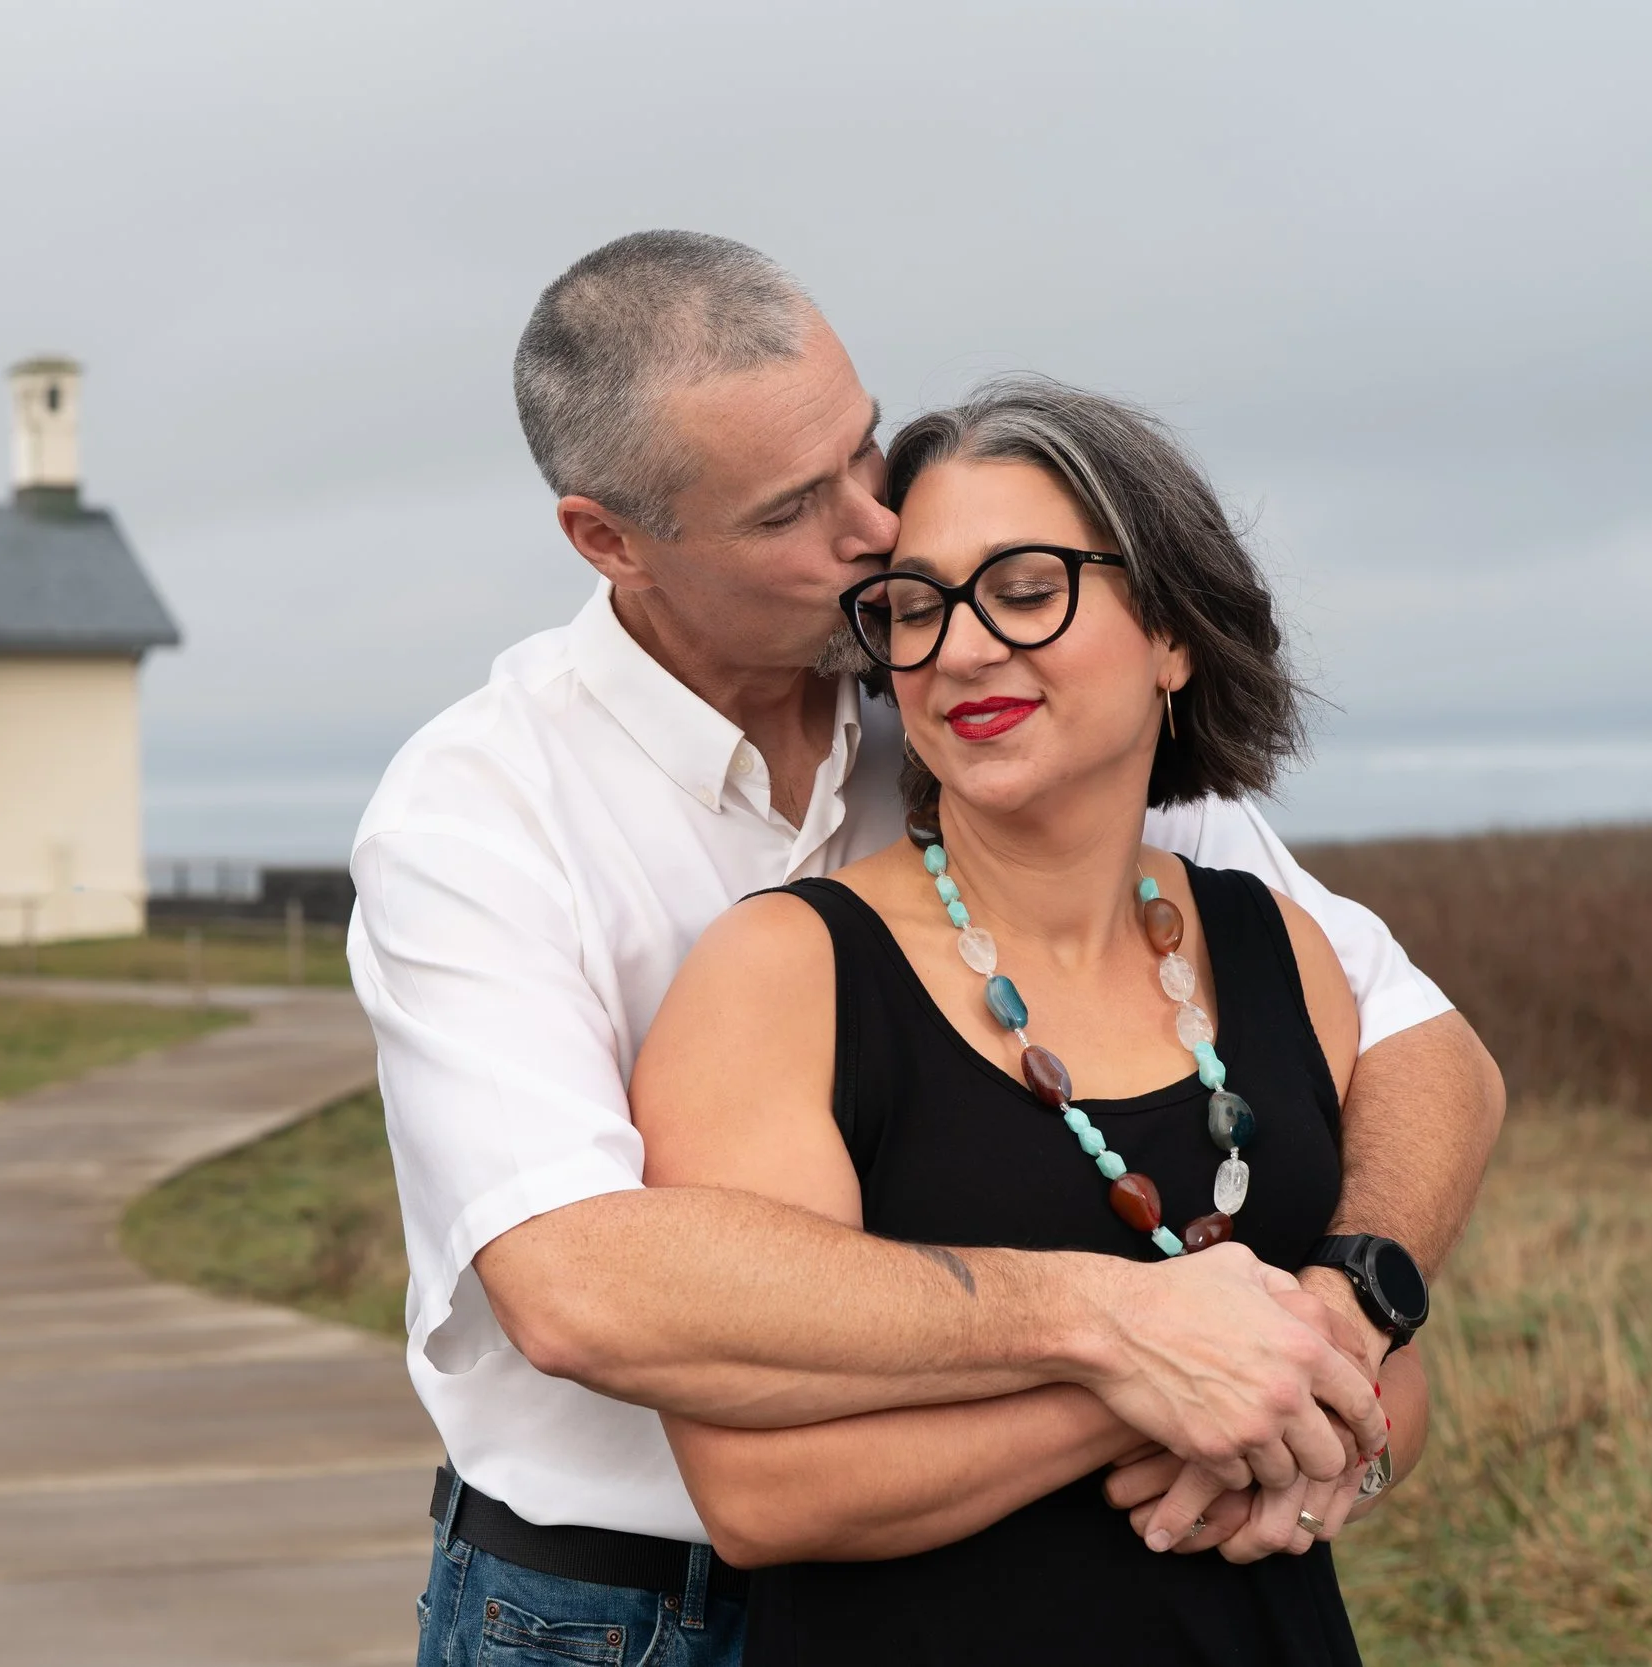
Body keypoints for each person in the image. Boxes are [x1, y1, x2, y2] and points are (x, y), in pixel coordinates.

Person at [349, 231, 1501, 1667]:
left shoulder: (984, 698)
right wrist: (1130, 1334)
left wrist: (1338, 1316)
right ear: (611, 539)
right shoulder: (478, 814)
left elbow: (1417, 1039)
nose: (876, 532)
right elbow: (580, 1283)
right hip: (625, 1606)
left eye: (864, 453)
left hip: (1077, 1561)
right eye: (791, 509)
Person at [634, 379, 1427, 1664]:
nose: (955, 650)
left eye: (1022, 589)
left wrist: (1332, 1426)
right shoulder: (788, 969)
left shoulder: (1275, 943)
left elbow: (1392, 1385)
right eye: (915, 606)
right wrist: (1159, 1378)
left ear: (1171, 632)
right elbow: (757, 1495)